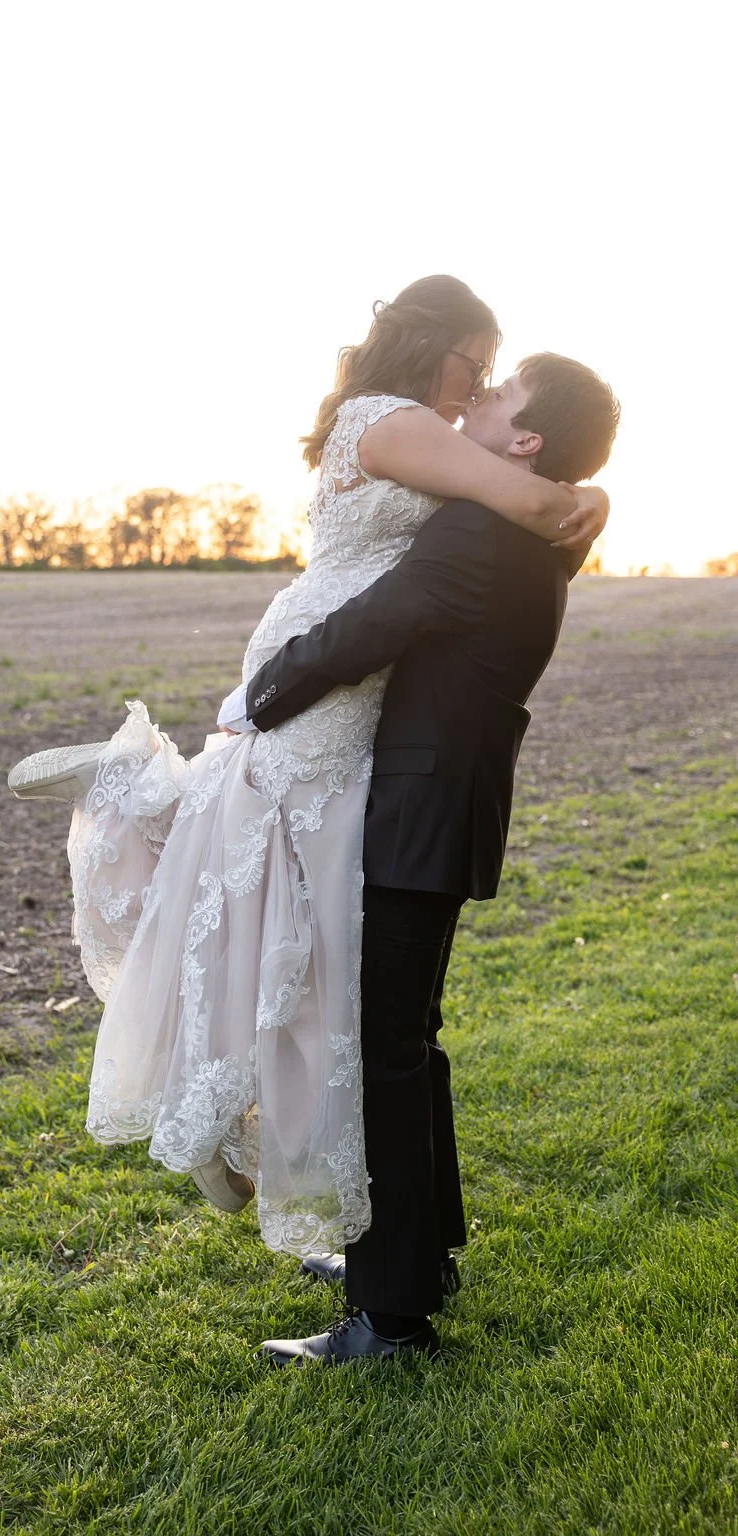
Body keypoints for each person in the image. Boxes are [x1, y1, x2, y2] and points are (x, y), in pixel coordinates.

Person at [7, 276, 607, 1269]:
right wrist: (586, 493)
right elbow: (529, 503)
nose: (481, 392)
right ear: (437, 347)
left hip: (343, 688)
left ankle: (142, 806)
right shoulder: (400, 424)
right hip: (321, 663)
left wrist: (585, 490)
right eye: (478, 368)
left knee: (265, 891)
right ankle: (139, 809)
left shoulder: (463, 482)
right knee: (263, 883)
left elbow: (526, 508)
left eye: (500, 384)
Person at [226, 352, 622, 1363]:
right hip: (444, 806)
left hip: (419, 811)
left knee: (385, 1052)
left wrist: (257, 696)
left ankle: (391, 1316)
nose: (477, 398)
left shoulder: (482, 528)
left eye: (501, 397)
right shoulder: (532, 523)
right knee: (407, 1041)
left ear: (524, 442)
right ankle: (419, 1252)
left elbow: (371, 626)